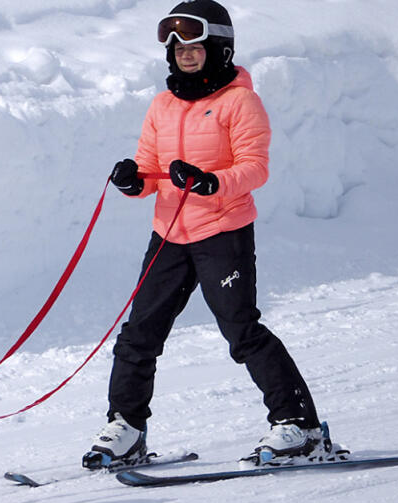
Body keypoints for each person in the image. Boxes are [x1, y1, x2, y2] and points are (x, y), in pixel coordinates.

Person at [84, 0, 329, 469]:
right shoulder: (162, 105)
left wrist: (214, 182)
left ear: (217, 45)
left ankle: (299, 426)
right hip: (169, 234)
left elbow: (254, 168)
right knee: (139, 334)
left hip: (222, 231)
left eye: (194, 43)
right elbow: (153, 171)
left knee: (241, 330)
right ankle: (127, 427)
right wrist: (136, 182)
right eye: (176, 45)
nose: (184, 52)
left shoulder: (240, 101)